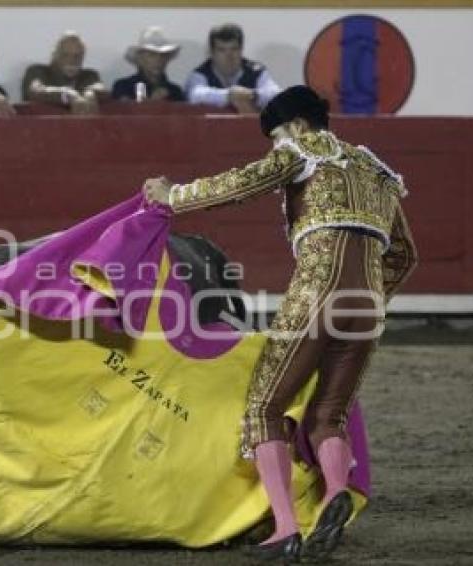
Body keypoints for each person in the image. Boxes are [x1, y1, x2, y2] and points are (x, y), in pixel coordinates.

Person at [143, 85, 417, 561]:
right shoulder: (378, 172)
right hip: (368, 302)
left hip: (319, 288)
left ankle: (285, 529)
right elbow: (406, 255)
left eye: (275, 136)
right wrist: (368, 297)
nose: (275, 145)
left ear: (294, 126)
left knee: (265, 407)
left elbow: (242, 184)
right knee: (328, 413)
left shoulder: (301, 148)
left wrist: (174, 196)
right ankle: (334, 496)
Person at [185, 23, 280, 113]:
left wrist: (252, 95)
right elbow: (195, 96)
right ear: (212, 53)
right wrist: (230, 95)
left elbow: (276, 94)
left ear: (241, 50)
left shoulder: (256, 71)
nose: (229, 56)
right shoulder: (200, 73)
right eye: (222, 50)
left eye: (234, 49)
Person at [21, 31, 108, 114]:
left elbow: (102, 89)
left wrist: (91, 93)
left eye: (77, 56)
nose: (71, 61)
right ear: (54, 56)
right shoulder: (37, 71)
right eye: (65, 55)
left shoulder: (89, 75)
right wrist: (67, 95)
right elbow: (35, 91)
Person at [112, 26, 184, 102]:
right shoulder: (124, 86)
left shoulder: (175, 92)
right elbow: (125, 110)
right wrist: (152, 102)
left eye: (163, 56)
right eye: (152, 55)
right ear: (140, 59)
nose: (158, 60)